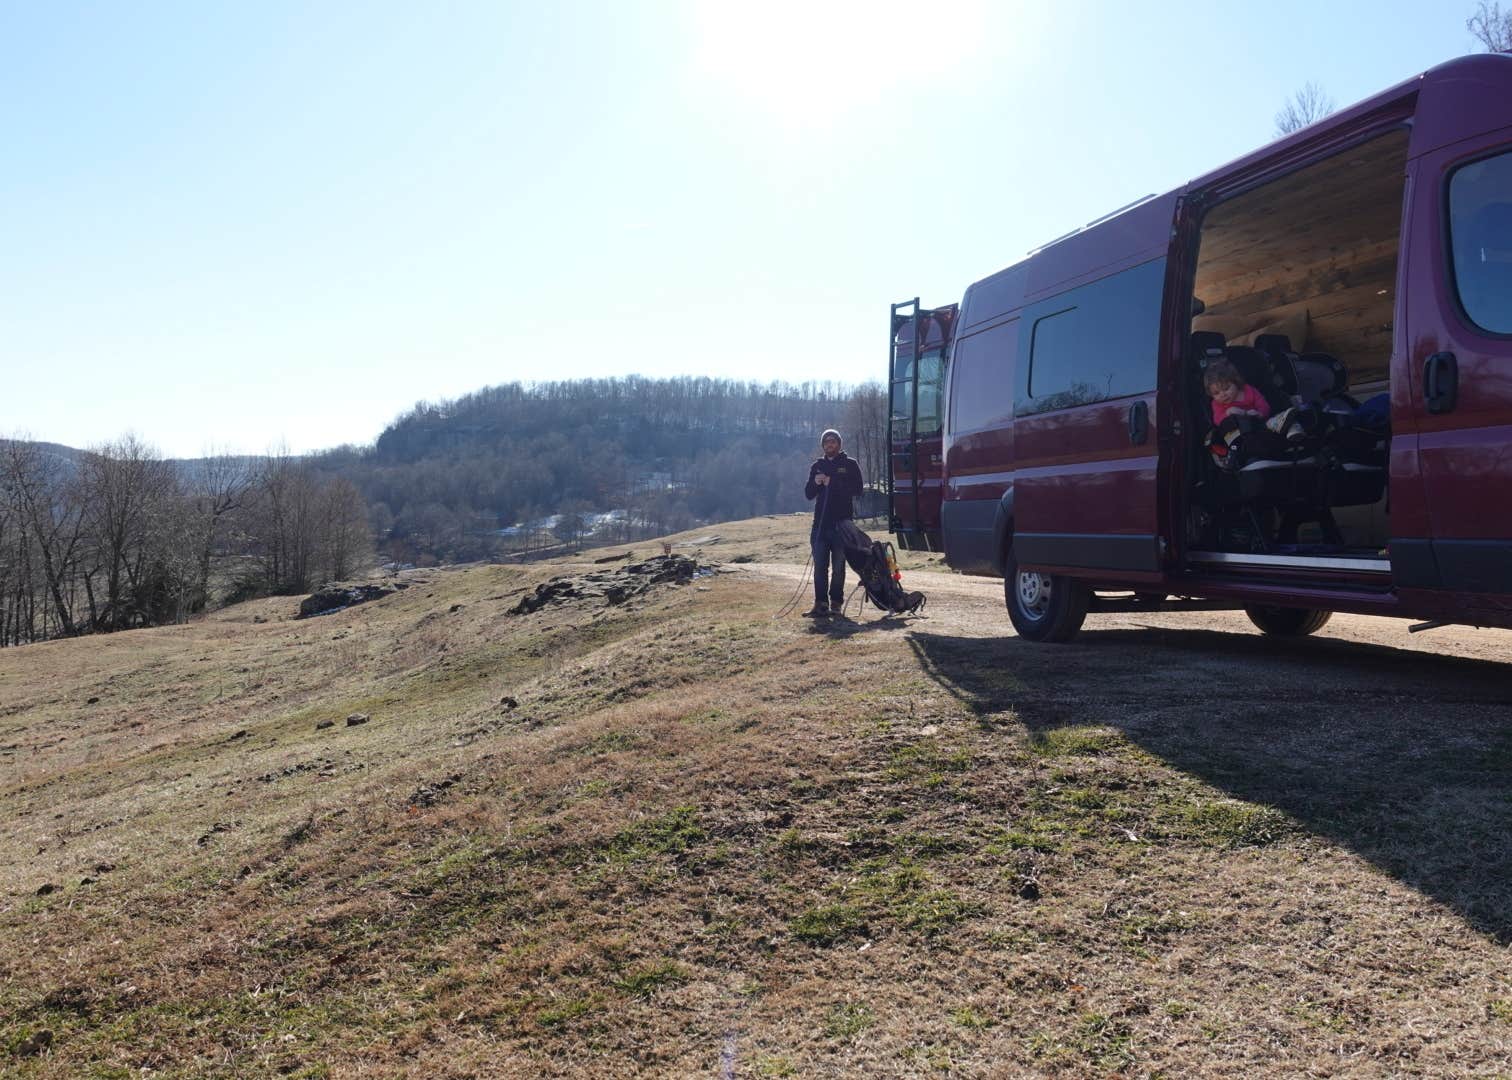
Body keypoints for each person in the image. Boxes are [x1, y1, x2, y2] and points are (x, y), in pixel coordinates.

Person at [803, 428, 864, 618]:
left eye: (833, 441)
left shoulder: (850, 464)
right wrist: (816, 482)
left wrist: (833, 482)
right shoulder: (817, 466)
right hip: (820, 526)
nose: (830, 444)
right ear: (823, 445)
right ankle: (820, 604)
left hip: (842, 524)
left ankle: (836, 604)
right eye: (826, 442)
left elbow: (858, 490)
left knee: (838, 567)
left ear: (839, 444)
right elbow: (808, 494)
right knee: (820, 567)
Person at [1205, 359, 1272, 425]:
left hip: (1257, 424)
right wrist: (1228, 413)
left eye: (1226, 389)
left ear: (1236, 382)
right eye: (1216, 393)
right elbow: (1217, 421)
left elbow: (1264, 406)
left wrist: (1259, 414)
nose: (1222, 395)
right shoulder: (1217, 404)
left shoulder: (1248, 390)